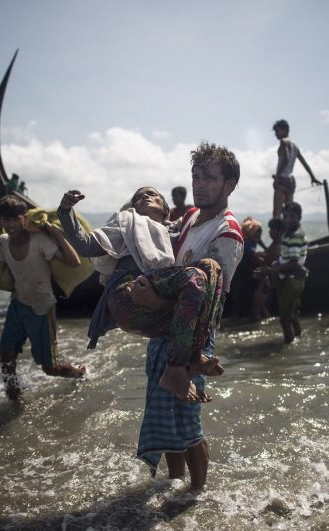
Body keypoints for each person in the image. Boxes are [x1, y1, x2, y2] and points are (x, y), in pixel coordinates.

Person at [130, 141, 244, 489]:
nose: (199, 184)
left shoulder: (227, 235)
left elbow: (209, 306)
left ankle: (196, 497)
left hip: (192, 340)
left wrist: (153, 304)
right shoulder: (192, 217)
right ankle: (173, 485)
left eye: (208, 178)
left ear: (229, 185)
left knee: (188, 424)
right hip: (164, 332)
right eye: (196, 176)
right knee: (166, 422)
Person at [56, 186, 224, 401]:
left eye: (152, 194)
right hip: (127, 294)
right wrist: (66, 211)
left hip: (156, 299)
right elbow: (86, 246)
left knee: (211, 267)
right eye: (138, 196)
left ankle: (193, 356)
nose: (145, 196)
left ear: (165, 209)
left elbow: (204, 220)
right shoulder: (127, 223)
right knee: (195, 276)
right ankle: (175, 369)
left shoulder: (174, 233)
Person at [0, 194, 85, 400]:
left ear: (25, 218)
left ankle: (79, 373)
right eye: (6, 219)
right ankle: (14, 400)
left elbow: (74, 262)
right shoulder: (2, 242)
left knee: (50, 368)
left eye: (15, 219)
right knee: (6, 357)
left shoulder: (39, 240)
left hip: (42, 309)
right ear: (1, 221)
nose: (11, 224)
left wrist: (51, 230)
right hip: (17, 305)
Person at [256, 202, 308, 343]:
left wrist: (272, 269)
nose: (288, 219)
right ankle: (298, 341)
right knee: (292, 315)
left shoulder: (295, 236)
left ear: (299, 217)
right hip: (289, 278)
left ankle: (288, 350)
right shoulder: (288, 234)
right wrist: (273, 266)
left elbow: (294, 262)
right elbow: (284, 258)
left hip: (292, 279)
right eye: (286, 216)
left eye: (292, 216)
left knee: (284, 319)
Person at [272, 119, 321, 218]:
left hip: (282, 180)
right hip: (291, 181)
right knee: (288, 212)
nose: (276, 134)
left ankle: (277, 231)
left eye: (277, 131)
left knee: (276, 213)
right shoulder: (295, 146)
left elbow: (286, 158)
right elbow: (304, 163)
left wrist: (277, 177)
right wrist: (312, 177)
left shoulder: (284, 141)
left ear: (285, 130)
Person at [250, 217, 285, 322]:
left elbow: (269, 261)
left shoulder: (277, 247)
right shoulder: (275, 245)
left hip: (265, 283)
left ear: (279, 231)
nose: (269, 232)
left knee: (256, 312)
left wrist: (257, 257)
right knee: (262, 310)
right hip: (267, 282)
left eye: (271, 230)